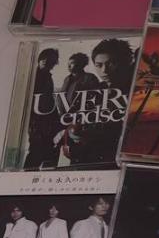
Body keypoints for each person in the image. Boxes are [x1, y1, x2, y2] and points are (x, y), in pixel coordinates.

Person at [69, 37, 135, 165]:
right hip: (87, 159)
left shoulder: (134, 92)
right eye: (99, 65)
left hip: (116, 160)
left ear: (126, 62)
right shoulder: (95, 90)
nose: (104, 71)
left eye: (111, 64)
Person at [25, 48, 61, 169]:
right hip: (36, 121)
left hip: (46, 121)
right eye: (44, 57)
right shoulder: (32, 76)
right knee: (36, 151)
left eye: (50, 60)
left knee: (47, 151)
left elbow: (48, 100)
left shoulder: (47, 77)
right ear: (40, 58)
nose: (46, 61)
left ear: (54, 63)